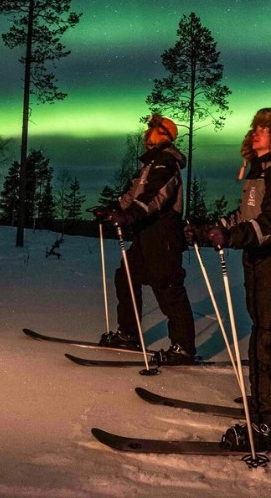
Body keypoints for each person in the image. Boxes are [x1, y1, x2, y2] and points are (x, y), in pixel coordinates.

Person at [192, 107, 271, 451]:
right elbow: (246, 216)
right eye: (255, 127)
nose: (256, 132)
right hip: (260, 261)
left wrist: (235, 236)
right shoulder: (261, 173)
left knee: (268, 340)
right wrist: (211, 230)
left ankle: (267, 428)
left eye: (265, 128)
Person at [93, 114, 197, 366]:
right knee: (126, 276)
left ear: (163, 134)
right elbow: (133, 194)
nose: (145, 132)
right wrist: (113, 209)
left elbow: (155, 196)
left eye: (151, 128)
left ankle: (183, 347)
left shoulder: (165, 161)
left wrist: (129, 215)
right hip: (145, 234)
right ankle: (129, 334)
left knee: (168, 288)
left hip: (163, 234)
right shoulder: (149, 165)